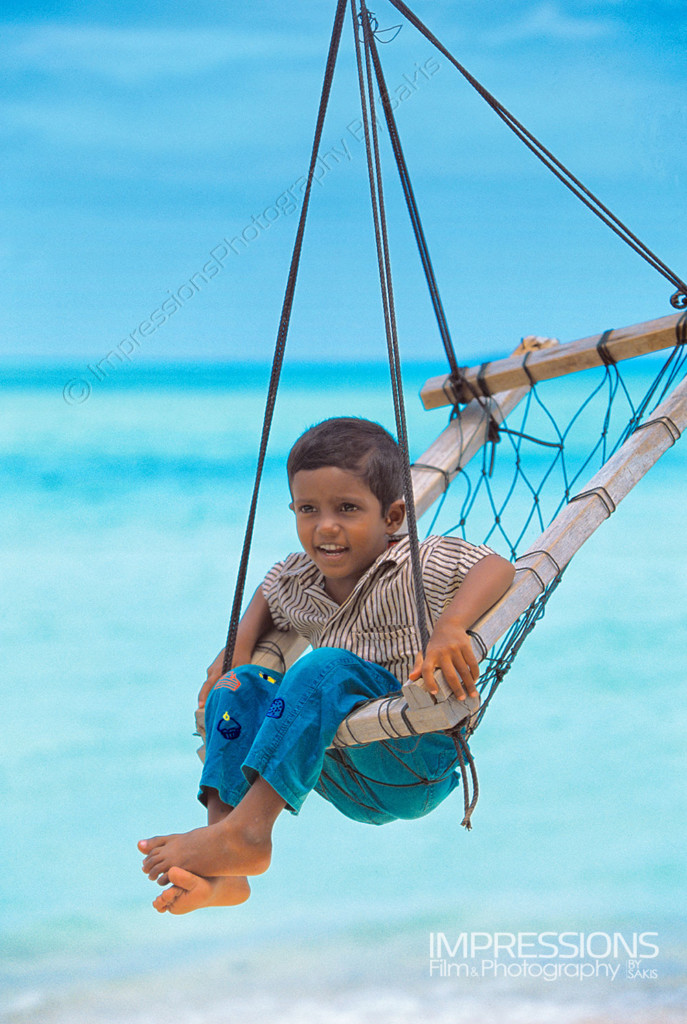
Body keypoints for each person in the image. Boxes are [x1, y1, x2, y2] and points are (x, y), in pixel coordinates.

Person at [139, 417, 515, 914]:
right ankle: (225, 864)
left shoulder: (417, 562)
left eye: (348, 509)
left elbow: (498, 567)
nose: (326, 526)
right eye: (308, 510)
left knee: (324, 667)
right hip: (343, 767)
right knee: (239, 685)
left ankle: (251, 832)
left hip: (417, 756)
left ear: (394, 516)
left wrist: (451, 628)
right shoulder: (300, 577)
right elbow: (268, 594)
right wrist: (236, 650)